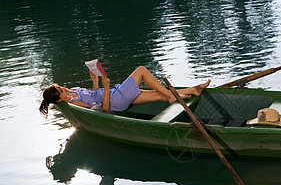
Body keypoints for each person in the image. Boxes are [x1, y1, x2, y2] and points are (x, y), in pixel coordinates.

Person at [39, 66, 210, 116]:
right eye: (61, 90)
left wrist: (95, 82)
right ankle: (172, 97)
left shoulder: (73, 91)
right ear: (59, 99)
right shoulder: (74, 103)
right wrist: (106, 88)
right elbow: (104, 110)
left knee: (159, 94)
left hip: (114, 93)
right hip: (116, 100)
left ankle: (193, 90)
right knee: (141, 71)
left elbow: (94, 95)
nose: (64, 87)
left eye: (60, 86)